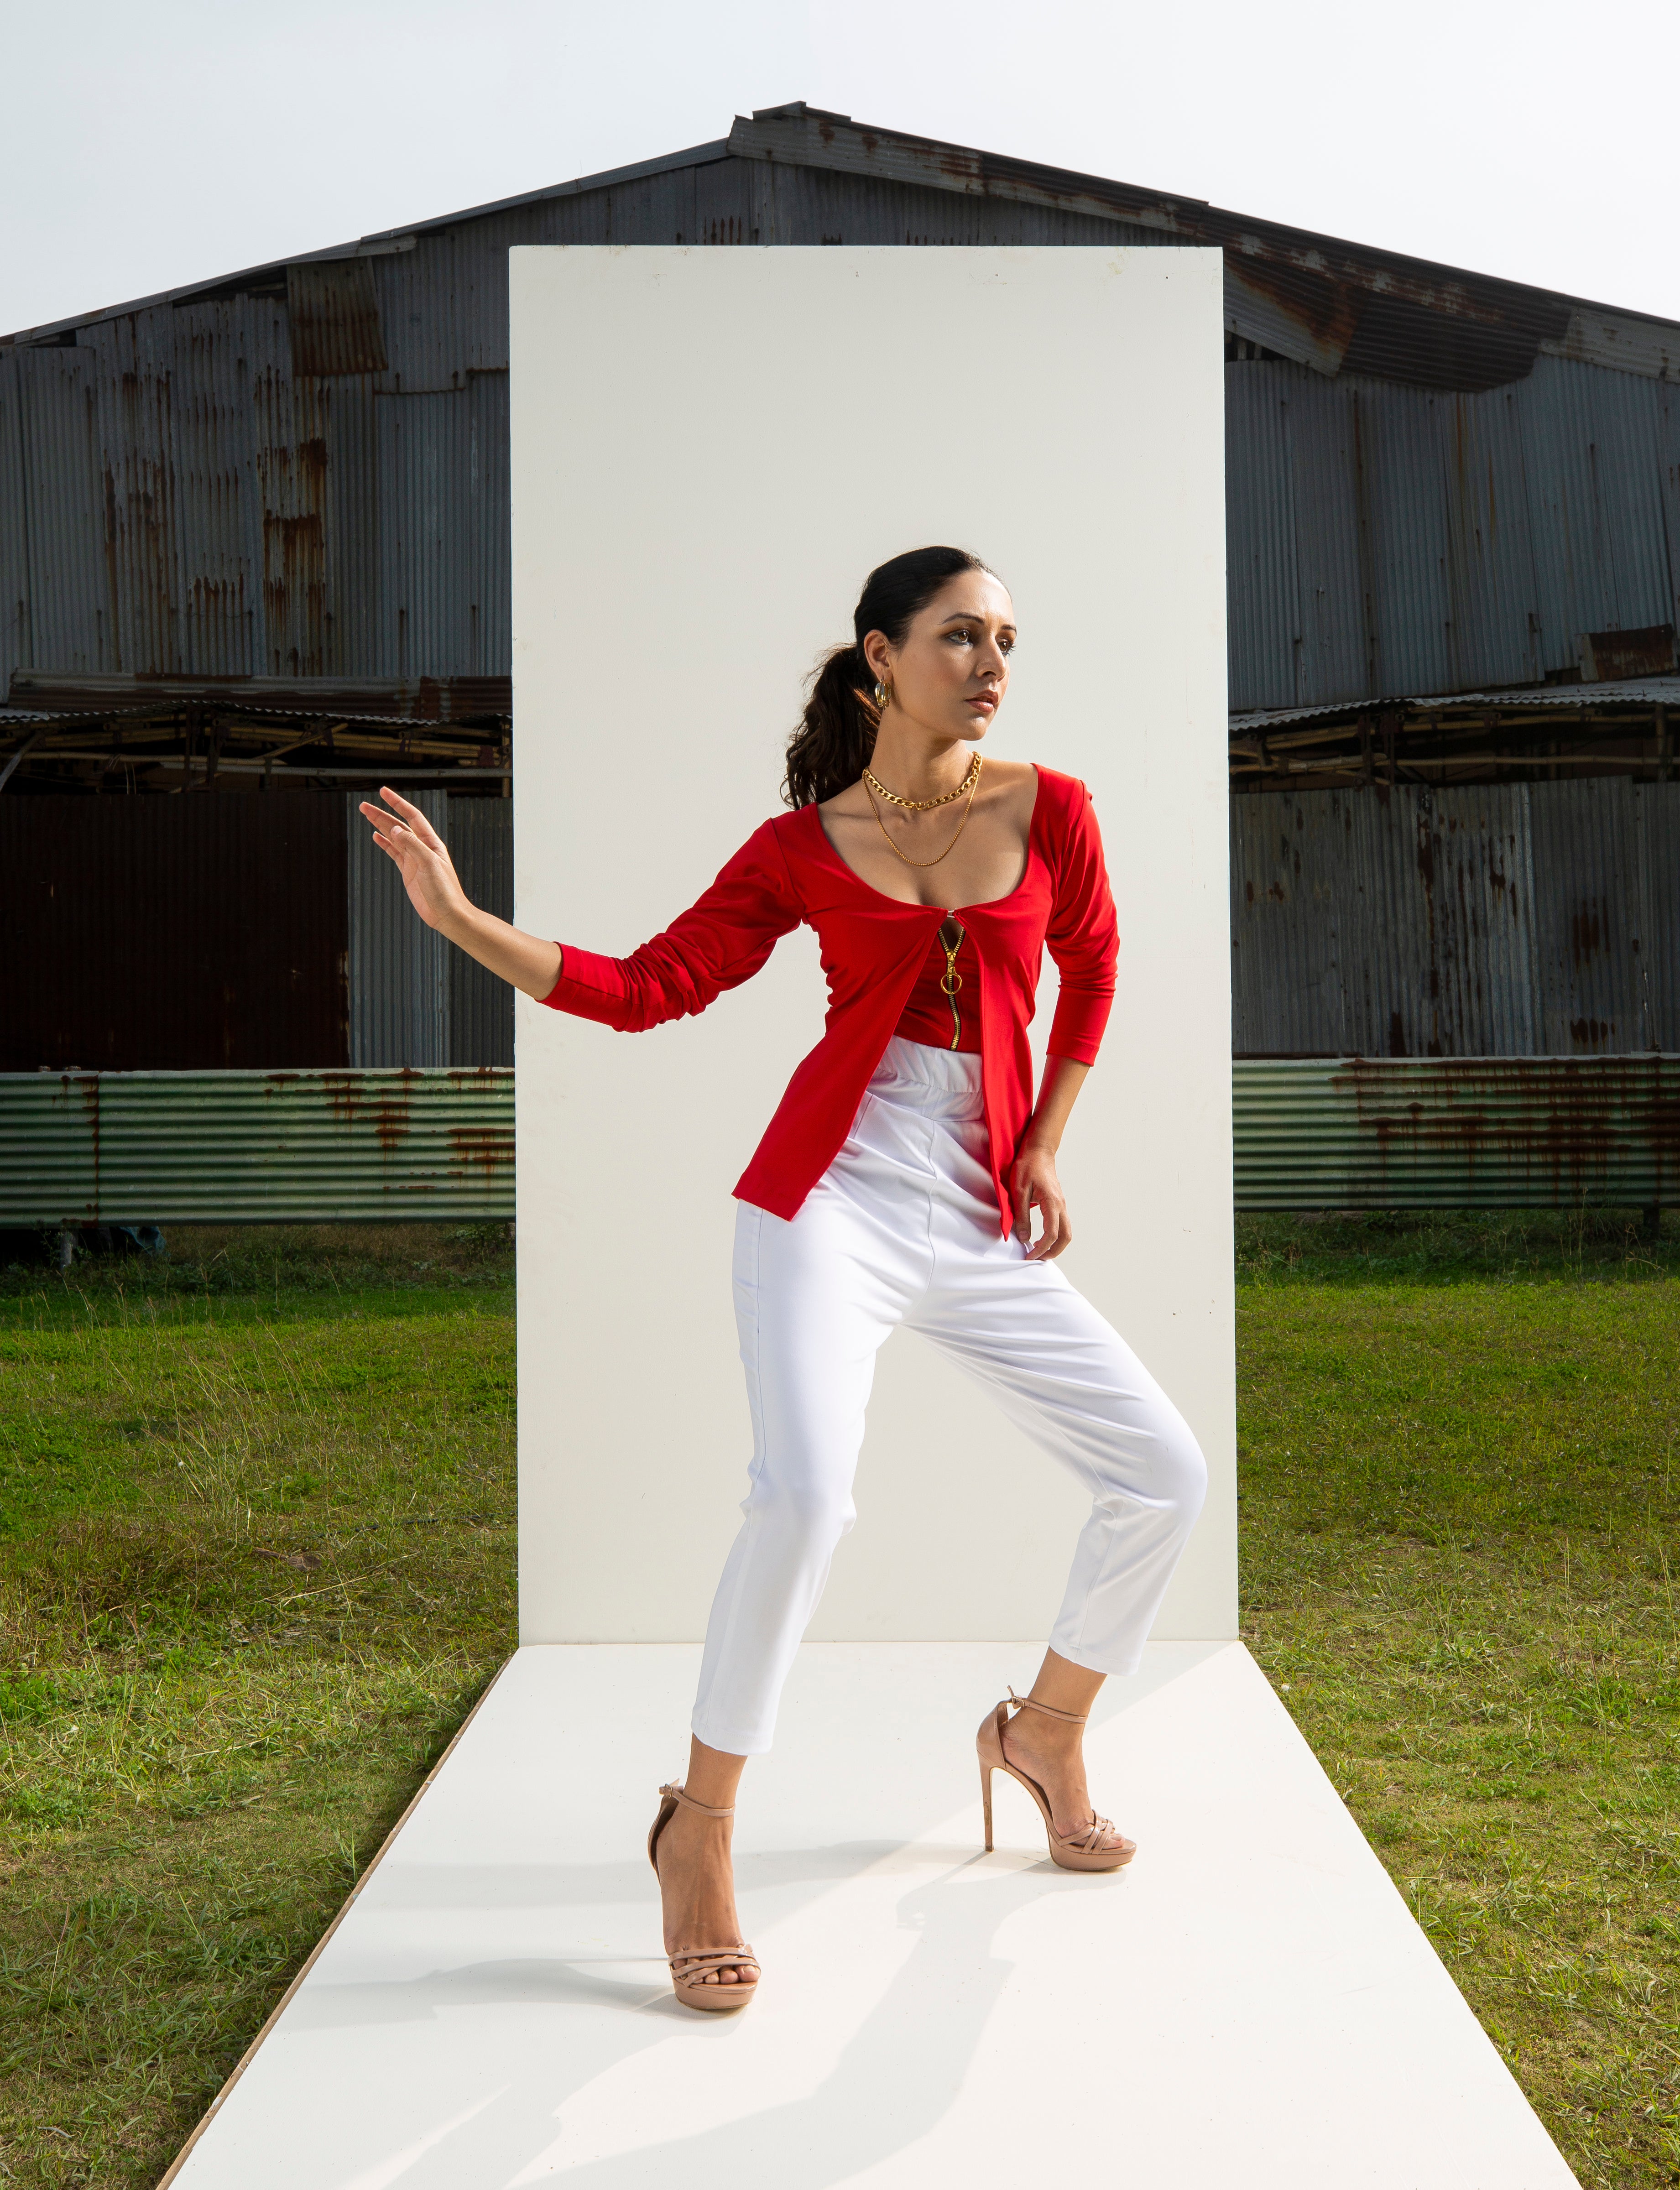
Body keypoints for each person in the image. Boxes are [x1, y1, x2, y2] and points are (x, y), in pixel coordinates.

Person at [360, 545, 1208, 2013]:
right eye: (961, 636)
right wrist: (460, 920)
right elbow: (649, 988)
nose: (992, 664)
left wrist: (1046, 1142)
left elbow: (1097, 968)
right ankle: (697, 1829)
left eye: (1008, 640)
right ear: (882, 655)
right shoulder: (799, 848)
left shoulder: (1051, 807)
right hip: (831, 1202)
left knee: (1162, 1473)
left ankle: (1048, 1732)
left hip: (983, 1209)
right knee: (806, 1499)